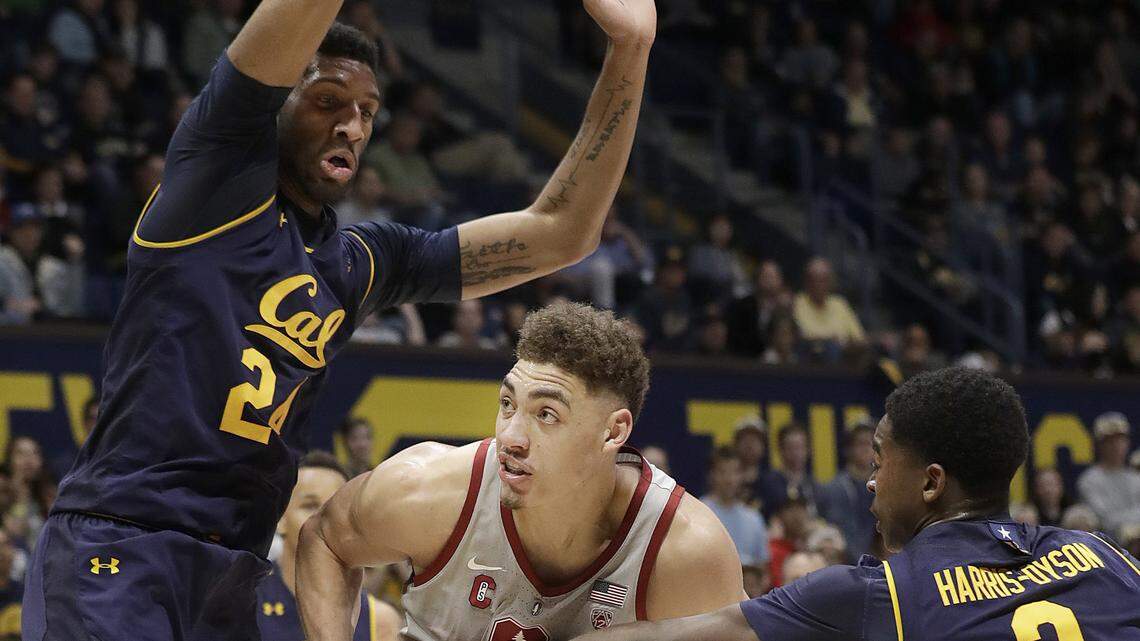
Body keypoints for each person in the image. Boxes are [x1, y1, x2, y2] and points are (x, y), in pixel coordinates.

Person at [27, 0, 653, 636]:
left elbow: (562, 233)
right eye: (328, 101)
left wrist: (631, 49)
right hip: (121, 546)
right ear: (277, 102)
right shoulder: (210, 184)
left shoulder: (361, 262)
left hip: (230, 571)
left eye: (367, 112)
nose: (353, 125)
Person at [568, 367, 1140, 641]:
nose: (869, 481)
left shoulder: (876, 596)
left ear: (931, 484)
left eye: (879, 460)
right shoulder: (1104, 557)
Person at [296, 303, 745, 640]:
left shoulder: (684, 553)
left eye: (546, 414)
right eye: (508, 404)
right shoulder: (432, 488)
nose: (511, 436)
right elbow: (325, 540)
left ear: (614, 431)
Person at [256, 451, 399, 641]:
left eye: (336, 507)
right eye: (310, 505)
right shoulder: (244, 602)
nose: (325, 520)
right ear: (280, 518)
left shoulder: (379, 620)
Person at [701, 446, 770, 567]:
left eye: (735, 472)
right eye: (723, 472)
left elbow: (763, 565)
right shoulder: (699, 512)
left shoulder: (754, 518)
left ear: (742, 475)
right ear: (712, 475)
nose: (729, 479)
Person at [818, 418, 876, 562]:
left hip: (882, 563)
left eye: (870, 444)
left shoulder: (886, 486)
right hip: (846, 564)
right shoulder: (833, 489)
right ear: (848, 449)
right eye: (860, 443)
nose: (866, 449)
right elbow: (837, 529)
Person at [1077, 412, 1140, 538]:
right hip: (1107, 545)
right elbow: (1106, 521)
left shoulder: (1135, 477)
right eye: (1110, 441)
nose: (1116, 446)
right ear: (1099, 445)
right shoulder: (1089, 480)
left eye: (1120, 440)